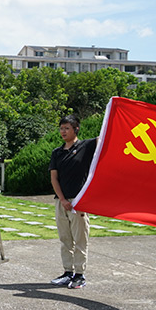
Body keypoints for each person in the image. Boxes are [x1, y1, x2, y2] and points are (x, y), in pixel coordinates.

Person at [49, 115, 99, 289]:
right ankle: (67, 272)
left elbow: (105, 137)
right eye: (61, 128)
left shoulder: (86, 146)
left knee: (80, 239)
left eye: (67, 128)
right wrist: (62, 199)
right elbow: (54, 178)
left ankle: (79, 274)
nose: (63, 131)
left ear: (76, 129)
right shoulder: (57, 152)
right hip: (61, 202)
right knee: (65, 238)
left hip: (79, 202)